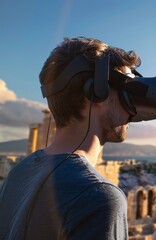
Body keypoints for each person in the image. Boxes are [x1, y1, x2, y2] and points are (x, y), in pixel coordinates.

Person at [0, 37, 142, 239]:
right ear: (96, 92)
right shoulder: (99, 197)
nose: (131, 106)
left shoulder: (18, 174)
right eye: (125, 90)